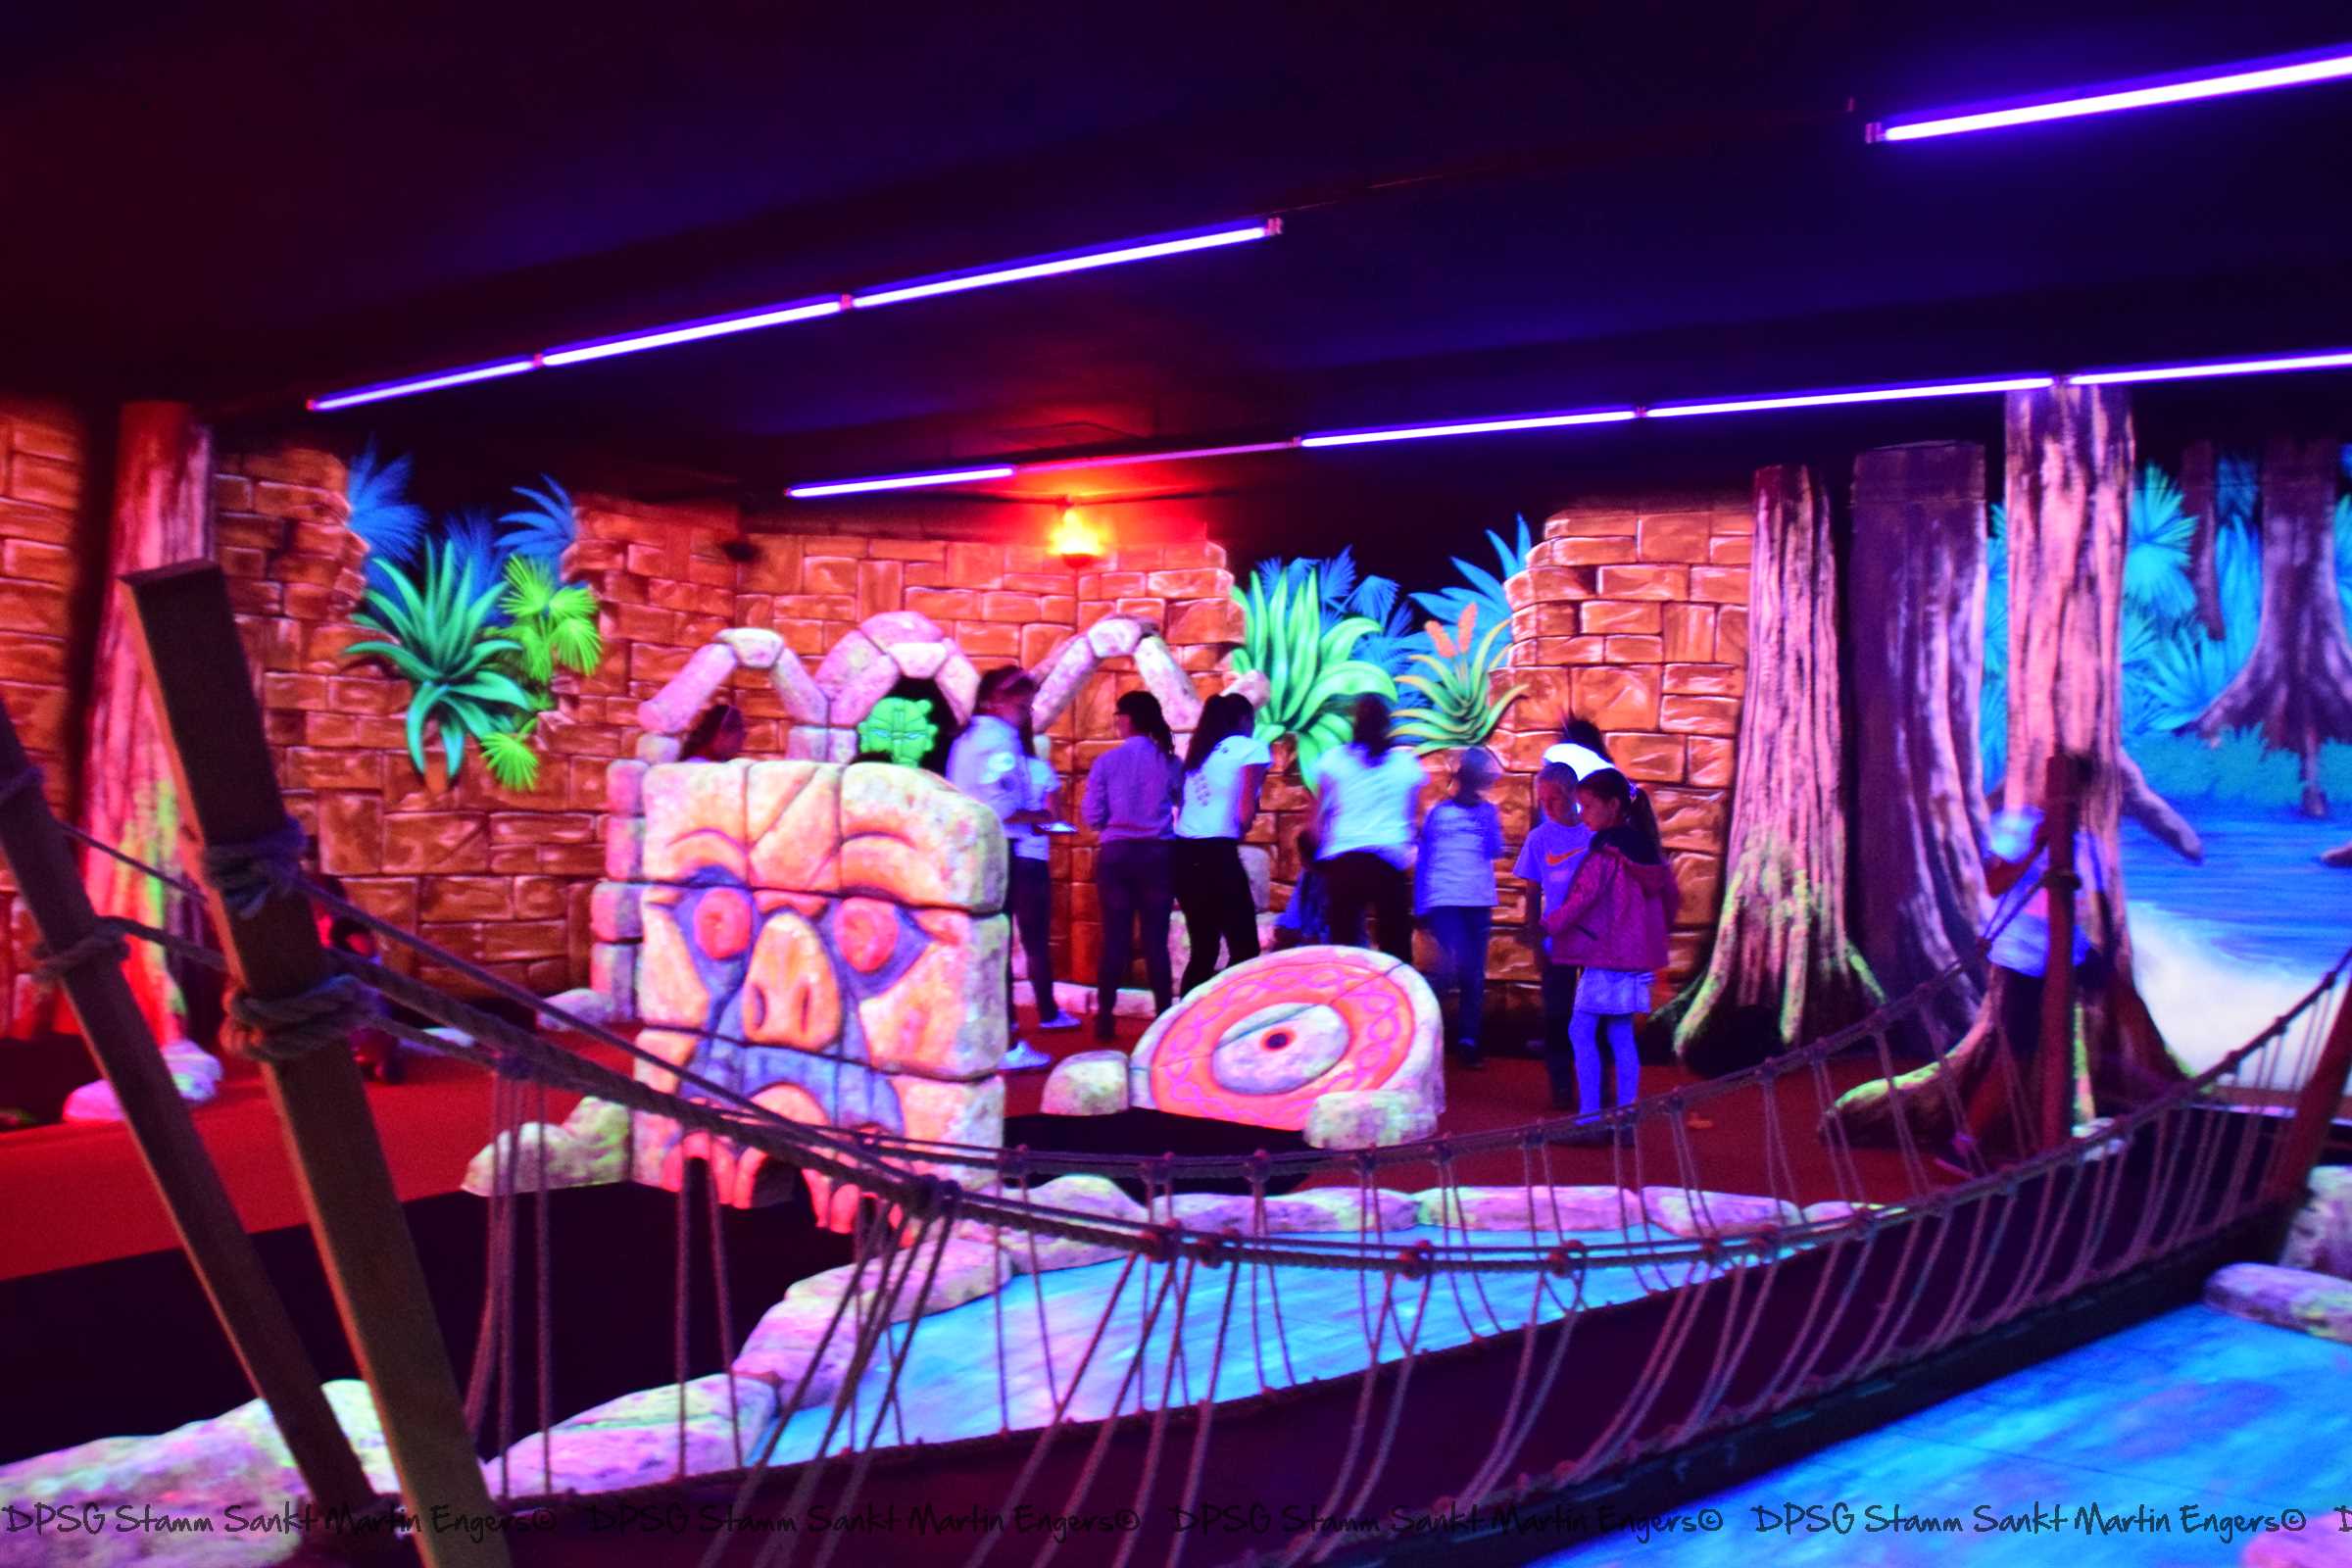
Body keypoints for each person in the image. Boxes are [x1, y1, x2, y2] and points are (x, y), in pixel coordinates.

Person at [1957, 764, 2113, 1170]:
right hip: (2022, 960)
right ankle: (1963, 1144)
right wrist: (2036, 848)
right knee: (2016, 1054)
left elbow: (2090, 907)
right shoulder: (2015, 827)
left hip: (2068, 955)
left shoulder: (2088, 845)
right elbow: (1994, 885)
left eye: (2075, 791)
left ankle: (2107, 1111)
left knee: (2116, 1002)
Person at [946, 668, 1073, 1071]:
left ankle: (992, 1035)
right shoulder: (1000, 740)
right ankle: (1005, 1042)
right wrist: (1036, 816)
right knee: (998, 947)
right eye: (1022, 703)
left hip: (971, 847)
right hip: (999, 848)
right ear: (996, 700)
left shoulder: (966, 738)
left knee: (985, 946)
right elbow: (1001, 804)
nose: (1026, 711)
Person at [1544, 768, 1678, 1122]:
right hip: (1635, 958)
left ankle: (1589, 1117)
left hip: (1606, 956)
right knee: (1620, 1032)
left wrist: (1549, 924)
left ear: (1613, 805)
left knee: (1580, 1030)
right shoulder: (1647, 852)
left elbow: (1581, 900)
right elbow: (1670, 900)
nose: (1582, 814)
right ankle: (1626, 1116)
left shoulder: (1606, 853)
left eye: (1588, 806)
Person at [1082, 689, 1182, 1042]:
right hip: (1158, 856)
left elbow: (1092, 815)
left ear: (1127, 719)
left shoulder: (1106, 762)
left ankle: (1105, 1019)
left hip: (1117, 855)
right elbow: (1183, 801)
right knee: (1156, 941)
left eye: (1118, 716)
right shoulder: (1170, 762)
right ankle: (1163, 1020)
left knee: (1115, 938)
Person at [1311, 693, 1428, 961]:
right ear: (1387, 724)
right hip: (1388, 864)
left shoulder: (1333, 760)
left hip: (1344, 863)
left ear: (1355, 724)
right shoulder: (1406, 764)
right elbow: (1416, 822)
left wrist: (1323, 867)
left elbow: (1315, 824)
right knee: (1396, 950)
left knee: (1344, 949)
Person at [1173, 692, 1271, 994]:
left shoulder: (1200, 752)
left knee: (1204, 950)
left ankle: (1186, 1016)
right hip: (1218, 855)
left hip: (1184, 855)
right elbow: (1244, 813)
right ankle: (1228, 1010)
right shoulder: (1250, 749)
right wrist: (1246, 821)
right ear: (1244, 720)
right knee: (1245, 948)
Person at [1415, 746, 1504, 1069]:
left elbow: (1495, 849)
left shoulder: (1487, 812)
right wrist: (1421, 903)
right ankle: (1420, 1025)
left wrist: (1487, 822)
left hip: (1478, 899)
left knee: (1473, 974)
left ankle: (1468, 1040)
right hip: (1446, 898)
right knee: (1451, 967)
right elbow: (1425, 858)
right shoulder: (1439, 813)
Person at [1512, 761, 1594, 1108]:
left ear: (1573, 794)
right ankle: (1561, 1086)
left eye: (1554, 798)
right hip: (1556, 939)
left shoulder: (1593, 834)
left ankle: (1594, 1085)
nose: (1547, 806)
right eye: (1542, 799)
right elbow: (1532, 893)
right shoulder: (1539, 838)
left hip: (1593, 940)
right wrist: (1534, 942)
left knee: (1593, 1015)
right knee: (1557, 1014)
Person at [1271, 830, 1333, 950]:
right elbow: (1293, 914)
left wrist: (1303, 937)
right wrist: (1283, 928)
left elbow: (1334, 934)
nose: (1300, 861)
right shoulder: (1306, 874)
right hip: (1303, 940)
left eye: (1304, 857)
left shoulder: (1336, 880)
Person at [681, 702, 747, 762]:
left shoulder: (720, 765)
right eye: (740, 736)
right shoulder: (697, 767)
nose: (741, 743)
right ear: (721, 734)